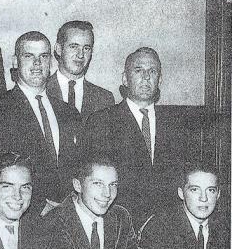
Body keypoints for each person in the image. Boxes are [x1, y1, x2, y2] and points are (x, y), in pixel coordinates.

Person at [43, 156, 193, 249]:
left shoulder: (120, 217)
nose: (107, 194)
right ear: (78, 185)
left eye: (113, 184)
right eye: (98, 183)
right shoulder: (55, 220)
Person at [80, 47, 200, 227]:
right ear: (125, 79)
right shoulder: (101, 121)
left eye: (152, 71)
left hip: (166, 229)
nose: (146, 77)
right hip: (117, 227)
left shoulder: (177, 124)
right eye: (138, 70)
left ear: (159, 79)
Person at [0, 32, 80, 215]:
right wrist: (40, 205)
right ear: (15, 61)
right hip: (24, 217)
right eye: (29, 56)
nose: (37, 63)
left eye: (43, 56)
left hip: (68, 218)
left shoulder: (68, 112)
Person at [140, 162, 230, 249]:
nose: (203, 198)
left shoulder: (225, 229)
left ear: (218, 194)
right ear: (181, 193)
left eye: (211, 190)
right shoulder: (159, 228)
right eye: (194, 189)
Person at [46, 21, 114, 115]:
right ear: (58, 49)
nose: (81, 55)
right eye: (73, 47)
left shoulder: (104, 98)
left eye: (86, 48)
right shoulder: (42, 89)